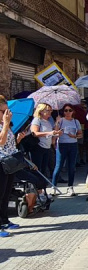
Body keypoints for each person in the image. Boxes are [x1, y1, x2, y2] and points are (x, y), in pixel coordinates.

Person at [0, 95, 21, 237]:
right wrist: (6, 124)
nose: (7, 114)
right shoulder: (4, 124)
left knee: (6, 193)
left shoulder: (5, 124)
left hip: (9, 162)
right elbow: (1, 142)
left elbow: (9, 144)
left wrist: (18, 139)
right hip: (0, 162)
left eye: (7, 110)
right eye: (3, 111)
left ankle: (4, 220)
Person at [51, 104, 83, 196]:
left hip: (73, 144)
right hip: (62, 144)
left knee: (71, 167)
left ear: (73, 111)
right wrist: (57, 122)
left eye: (70, 110)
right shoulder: (61, 120)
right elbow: (55, 132)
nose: (68, 112)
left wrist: (75, 136)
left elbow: (80, 134)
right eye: (66, 110)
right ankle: (54, 186)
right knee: (58, 166)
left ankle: (70, 187)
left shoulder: (76, 121)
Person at [31, 103, 62, 177]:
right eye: (48, 110)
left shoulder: (48, 121)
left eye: (51, 110)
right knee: (38, 169)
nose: (50, 112)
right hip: (38, 147)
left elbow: (53, 133)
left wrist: (57, 123)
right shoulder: (37, 120)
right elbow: (34, 133)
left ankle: (42, 186)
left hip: (47, 147)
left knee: (44, 169)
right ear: (41, 111)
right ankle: (38, 186)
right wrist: (49, 133)